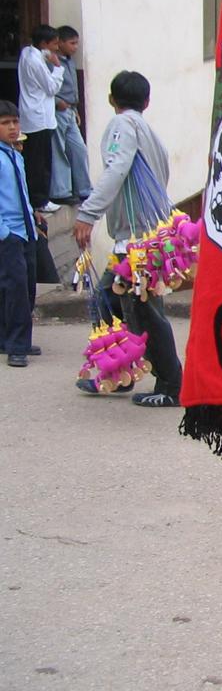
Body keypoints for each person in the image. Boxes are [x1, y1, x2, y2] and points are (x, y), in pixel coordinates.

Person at [72, 71, 184, 407]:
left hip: (135, 241)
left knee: (145, 311)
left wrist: (88, 213)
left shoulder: (122, 126)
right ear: (147, 102)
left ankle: (171, 384)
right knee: (109, 301)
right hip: (143, 238)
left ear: (111, 100)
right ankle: (118, 372)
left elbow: (117, 170)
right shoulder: (150, 132)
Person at [0, 102, 45, 367]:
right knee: (15, 288)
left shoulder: (15, 155)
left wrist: (33, 217)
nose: (13, 128)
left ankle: (11, 338)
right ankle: (17, 345)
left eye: (15, 122)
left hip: (25, 230)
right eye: (6, 123)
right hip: (8, 232)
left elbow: (22, 192)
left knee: (26, 286)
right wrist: (5, 233)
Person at [16, 24, 64, 213]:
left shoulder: (28, 53)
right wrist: (58, 68)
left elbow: (41, 56)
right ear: (44, 43)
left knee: (38, 160)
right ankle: (39, 200)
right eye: (54, 44)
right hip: (39, 118)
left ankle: (39, 198)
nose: (56, 48)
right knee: (39, 163)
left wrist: (48, 57)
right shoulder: (34, 61)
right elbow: (51, 88)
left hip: (37, 116)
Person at [49, 25, 92, 205]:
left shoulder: (70, 61)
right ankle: (61, 191)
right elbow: (47, 87)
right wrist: (57, 101)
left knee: (79, 148)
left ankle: (84, 188)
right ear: (60, 43)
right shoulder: (52, 62)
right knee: (59, 149)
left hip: (70, 110)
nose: (75, 47)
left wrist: (74, 110)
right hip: (58, 109)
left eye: (77, 43)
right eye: (72, 43)